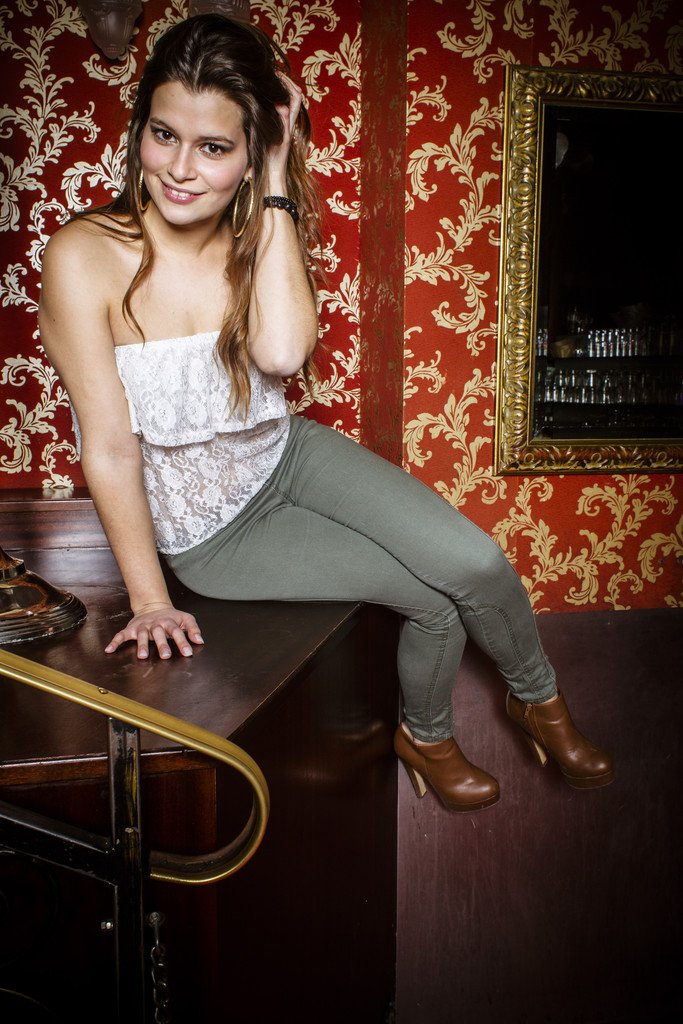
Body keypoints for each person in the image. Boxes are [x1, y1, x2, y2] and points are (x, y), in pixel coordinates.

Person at [39, 13, 613, 812]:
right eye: (164, 135)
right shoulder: (84, 256)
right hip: (213, 531)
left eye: (214, 147)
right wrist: (150, 600)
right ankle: (428, 734)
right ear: (140, 130)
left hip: (289, 453)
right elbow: (107, 445)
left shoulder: (256, 230)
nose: (180, 169)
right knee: (430, 602)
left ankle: (538, 701)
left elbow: (280, 355)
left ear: (249, 154)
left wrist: (277, 171)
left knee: (476, 562)